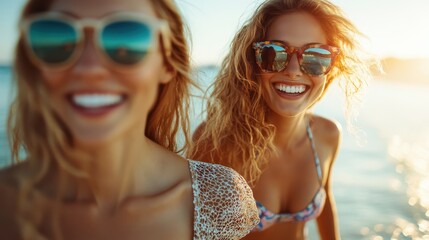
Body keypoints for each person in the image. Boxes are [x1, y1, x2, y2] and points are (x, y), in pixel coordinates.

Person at [0, 0, 259, 239]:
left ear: (167, 64)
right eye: (57, 39)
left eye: (127, 37)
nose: (89, 67)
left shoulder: (222, 198)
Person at [189, 0, 373, 239]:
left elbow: (326, 202)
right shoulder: (215, 140)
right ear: (251, 62)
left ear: (331, 69)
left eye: (315, 56)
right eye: (273, 53)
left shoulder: (327, 135)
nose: (294, 70)